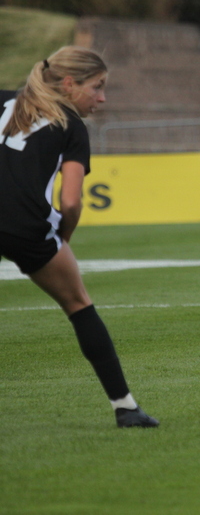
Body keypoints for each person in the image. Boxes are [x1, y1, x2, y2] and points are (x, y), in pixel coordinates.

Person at [0, 46, 159, 427]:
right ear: (69, 84)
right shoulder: (71, 125)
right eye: (98, 87)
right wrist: (63, 240)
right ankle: (125, 408)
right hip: (23, 225)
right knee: (79, 305)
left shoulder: (6, 100)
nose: (102, 98)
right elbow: (71, 202)